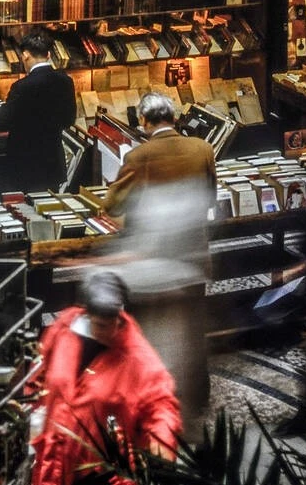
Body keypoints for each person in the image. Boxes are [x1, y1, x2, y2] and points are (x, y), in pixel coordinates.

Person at [102, 91, 217, 430]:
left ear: (143, 121)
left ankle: (152, 397)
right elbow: (210, 197)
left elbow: (113, 205)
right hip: (194, 254)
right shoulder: (202, 148)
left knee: (146, 331)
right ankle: (197, 394)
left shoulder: (138, 156)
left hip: (153, 260)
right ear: (175, 117)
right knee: (193, 327)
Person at [29, 270, 181, 485]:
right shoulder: (64, 328)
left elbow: (160, 404)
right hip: (53, 464)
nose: (108, 331)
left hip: (100, 473)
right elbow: (38, 373)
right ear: (87, 314)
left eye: (113, 323)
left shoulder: (137, 358)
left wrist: (162, 440)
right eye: (100, 325)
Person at [0, 30, 76, 192]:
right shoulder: (66, 81)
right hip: (52, 162)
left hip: (24, 164)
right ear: (49, 55)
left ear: (25, 55)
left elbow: (1, 123)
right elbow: (69, 119)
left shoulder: (22, 87)